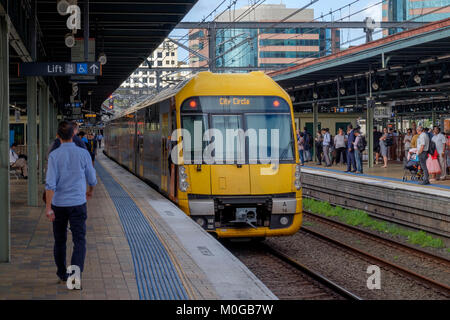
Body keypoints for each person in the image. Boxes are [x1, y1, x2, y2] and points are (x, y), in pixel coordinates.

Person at [45, 121, 97, 286]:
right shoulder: (83, 154)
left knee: (59, 240)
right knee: (79, 241)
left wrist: (48, 208)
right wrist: (90, 191)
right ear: (73, 135)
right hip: (78, 204)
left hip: (58, 205)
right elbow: (92, 178)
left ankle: (62, 274)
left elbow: (50, 184)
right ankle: (74, 280)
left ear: (58, 137)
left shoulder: (54, 156)